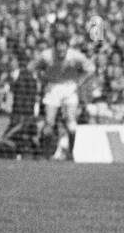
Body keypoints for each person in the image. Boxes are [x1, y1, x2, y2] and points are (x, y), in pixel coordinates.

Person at [33, 29, 96, 161]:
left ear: (67, 46)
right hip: (53, 87)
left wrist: (79, 82)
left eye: (64, 46)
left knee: (71, 124)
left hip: (69, 87)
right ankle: (46, 154)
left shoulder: (76, 56)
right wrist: (42, 78)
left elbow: (91, 69)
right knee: (49, 123)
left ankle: (70, 153)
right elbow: (34, 67)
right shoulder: (46, 55)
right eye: (58, 46)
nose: (61, 50)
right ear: (55, 46)